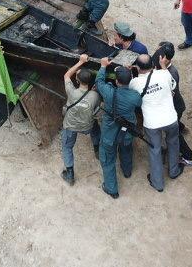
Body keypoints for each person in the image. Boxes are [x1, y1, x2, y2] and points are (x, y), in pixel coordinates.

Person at [129, 53, 180, 191]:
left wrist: (129, 72)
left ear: (137, 67)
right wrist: (163, 66)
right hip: (170, 118)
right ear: (153, 64)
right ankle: (174, 171)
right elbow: (173, 85)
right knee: (173, 143)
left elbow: (132, 92)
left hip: (152, 123)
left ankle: (158, 183)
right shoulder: (164, 74)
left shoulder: (134, 83)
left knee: (155, 150)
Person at [95, 60, 142, 198]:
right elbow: (139, 104)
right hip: (126, 133)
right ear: (130, 81)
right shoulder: (135, 96)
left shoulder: (109, 93)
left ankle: (112, 189)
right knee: (126, 150)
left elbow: (99, 82)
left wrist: (103, 66)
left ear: (116, 82)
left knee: (108, 160)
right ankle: (127, 171)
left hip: (109, 134)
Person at [60, 53, 101, 186]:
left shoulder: (72, 92)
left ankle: (70, 174)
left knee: (67, 146)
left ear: (77, 81)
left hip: (71, 125)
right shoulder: (94, 95)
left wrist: (80, 62)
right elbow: (96, 107)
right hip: (87, 126)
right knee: (95, 125)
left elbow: (66, 75)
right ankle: (97, 150)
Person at [154, 41, 192, 163]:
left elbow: (168, 91)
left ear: (165, 59)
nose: (157, 55)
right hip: (176, 106)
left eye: (159, 53)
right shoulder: (162, 68)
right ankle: (181, 126)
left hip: (174, 107)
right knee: (177, 124)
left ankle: (190, 157)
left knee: (175, 134)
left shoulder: (171, 73)